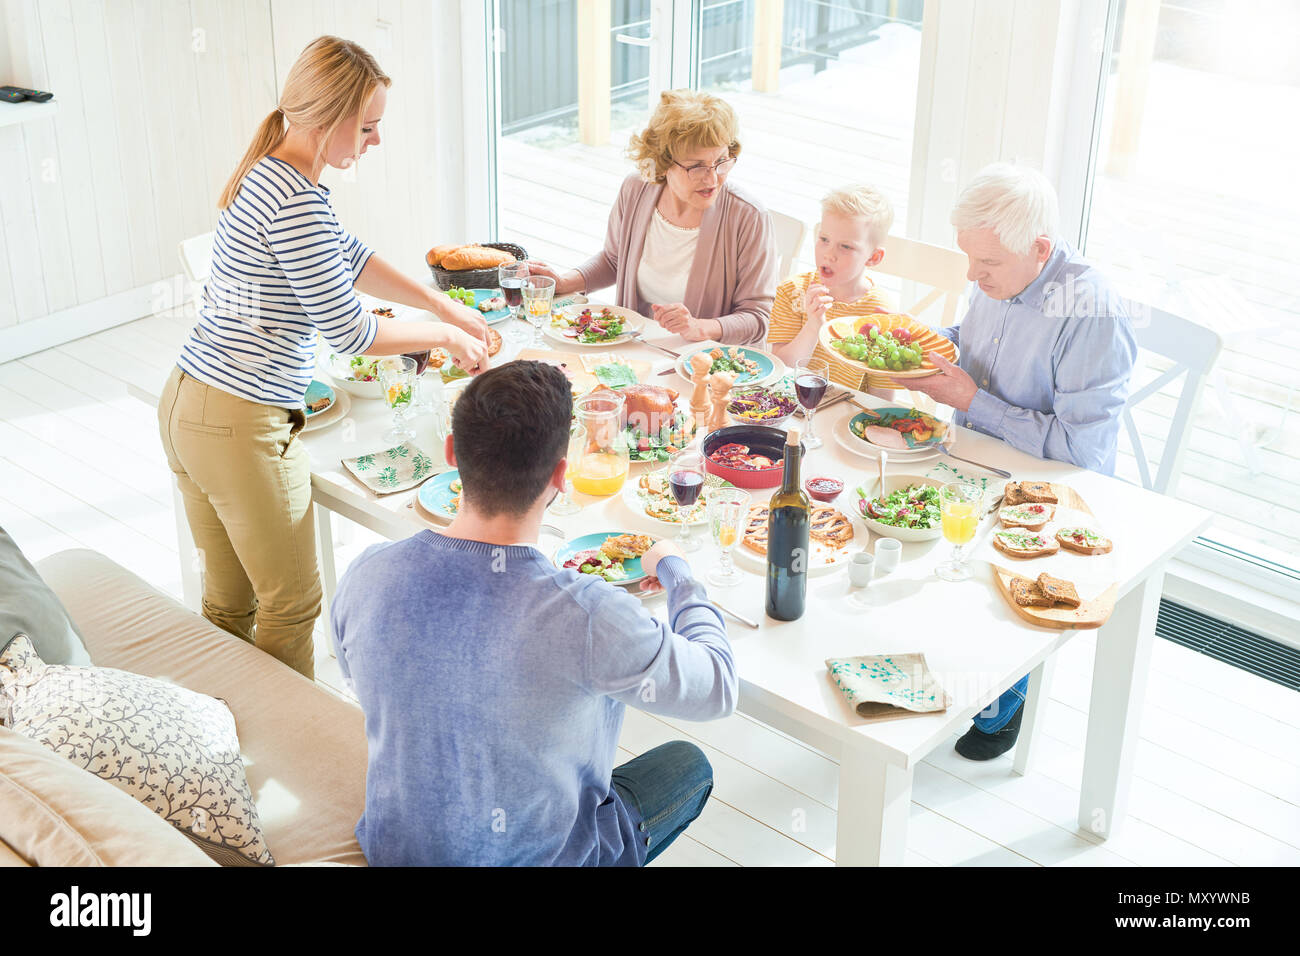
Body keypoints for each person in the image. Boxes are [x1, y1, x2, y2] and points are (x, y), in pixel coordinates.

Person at [158, 36, 489, 679]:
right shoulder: (296, 199)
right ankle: (288, 756)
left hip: (188, 402)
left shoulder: (273, 172)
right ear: (328, 117)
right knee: (291, 605)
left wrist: (441, 306)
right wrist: (445, 337)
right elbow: (350, 332)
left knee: (228, 607)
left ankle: (218, 746)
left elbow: (352, 257)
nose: (374, 141)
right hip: (239, 424)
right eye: (367, 126)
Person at [330, 360, 737, 866]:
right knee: (688, 765)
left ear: (452, 453)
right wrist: (678, 572)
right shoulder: (591, 615)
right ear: (561, 476)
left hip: (398, 851)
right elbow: (719, 685)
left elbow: (358, 675)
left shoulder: (367, 571)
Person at [903, 162, 1137, 760]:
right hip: (975, 459)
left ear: (1039, 248)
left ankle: (1001, 697)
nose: (972, 276)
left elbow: (1083, 451)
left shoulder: (1092, 310)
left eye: (987, 265)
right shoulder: (999, 273)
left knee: (961, 565)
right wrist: (930, 340)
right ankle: (918, 664)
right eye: (969, 260)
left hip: (1054, 489)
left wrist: (972, 402)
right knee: (881, 508)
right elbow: (980, 341)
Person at [529, 89, 777, 345]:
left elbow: (758, 317)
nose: (712, 178)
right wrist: (562, 282)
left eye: (721, 161)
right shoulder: (637, 189)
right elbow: (615, 261)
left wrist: (700, 327)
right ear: (663, 162)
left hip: (707, 366)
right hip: (634, 348)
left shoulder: (749, 216)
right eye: (696, 167)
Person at [767, 184, 895, 389]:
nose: (829, 254)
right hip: (793, 407)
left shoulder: (880, 311)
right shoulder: (792, 291)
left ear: (873, 257)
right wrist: (813, 325)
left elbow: (881, 395)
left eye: (845, 246)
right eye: (824, 239)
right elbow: (782, 371)